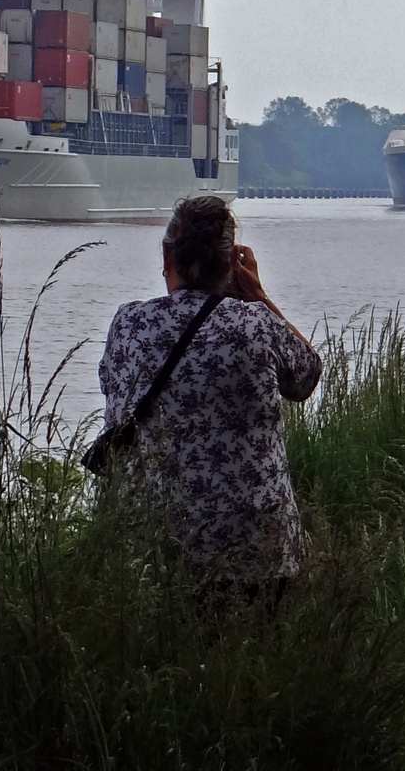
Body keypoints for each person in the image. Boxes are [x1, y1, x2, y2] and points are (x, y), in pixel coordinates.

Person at [98, 195, 322, 592]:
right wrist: (258, 295)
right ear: (231, 263)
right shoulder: (255, 323)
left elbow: (113, 391)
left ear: (167, 256)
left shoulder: (128, 324)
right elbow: (305, 378)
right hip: (257, 546)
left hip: (154, 543)